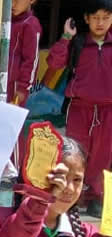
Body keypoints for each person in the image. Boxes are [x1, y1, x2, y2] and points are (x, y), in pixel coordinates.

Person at [47, 0, 112, 214]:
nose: (100, 23)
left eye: (106, 18)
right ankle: (72, 197)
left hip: (108, 110)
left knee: (103, 156)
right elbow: (54, 63)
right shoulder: (79, 44)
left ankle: (96, 197)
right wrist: (66, 37)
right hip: (79, 108)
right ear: (86, 19)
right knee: (76, 153)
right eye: (95, 18)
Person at [9, 0, 42, 105]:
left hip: (15, 88)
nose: (12, 4)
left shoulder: (30, 24)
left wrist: (23, 89)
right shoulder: (6, 21)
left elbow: (31, 60)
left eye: (17, 0)